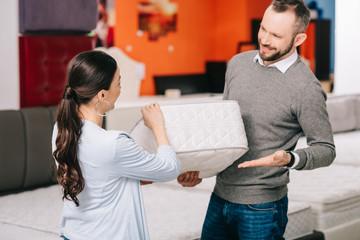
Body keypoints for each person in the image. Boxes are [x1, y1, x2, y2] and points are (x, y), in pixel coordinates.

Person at [178, 0, 336, 239]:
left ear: (298, 40)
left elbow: (326, 149)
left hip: (262, 207)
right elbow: (226, 129)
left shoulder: (306, 88)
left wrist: (290, 158)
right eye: (263, 28)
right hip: (219, 197)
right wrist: (201, 167)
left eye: (276, 35)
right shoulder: (237, 63)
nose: (264, 39)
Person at [52, 50, 181, 240]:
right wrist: (158, 126)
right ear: (102, 94)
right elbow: (170, 169)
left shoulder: (60, 129)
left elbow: (98, 176)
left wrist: (130, 178)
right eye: (118, 82)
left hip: (73, 234)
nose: (120, 89)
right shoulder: (113, 143)